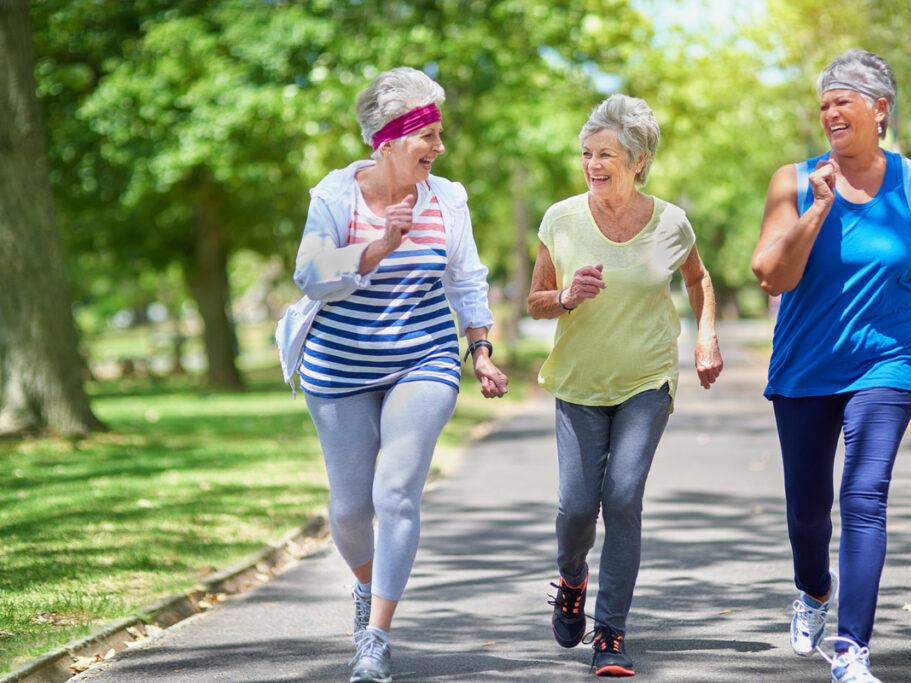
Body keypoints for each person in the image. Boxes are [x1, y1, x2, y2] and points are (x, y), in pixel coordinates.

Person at [751, 49, 911, 683]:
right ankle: (814, 590)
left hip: (888, 363)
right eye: (823, 104)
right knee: (807, 508)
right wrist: (818, 207)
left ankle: (852, 647)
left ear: (880, 110)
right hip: (803, 368)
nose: (829, 112)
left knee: (864, 496)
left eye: (842, 101)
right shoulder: (792, 181)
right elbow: (770, 276)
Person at [275, 66, 508, 683]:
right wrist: (379, 245)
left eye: (438, 134)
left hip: (422, 357)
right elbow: (310, 273)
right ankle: (365, 588)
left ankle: (375, 637)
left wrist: (479, 348)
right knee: (350, 509)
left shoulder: (448, 198)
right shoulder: (335, 195)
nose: (438, 146)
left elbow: (465, 279)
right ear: (387, 139)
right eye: (426, 134)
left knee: (395, 491)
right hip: (339, 364)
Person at [527, 94, 723, 677]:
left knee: (623, 497)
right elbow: (535, 303)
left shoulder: (667, 225)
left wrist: (705, 336)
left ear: (638, 160)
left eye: (605, 153)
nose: (593, 163)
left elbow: (698, 279)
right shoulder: (562, 220)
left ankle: (609, 634)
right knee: (576, 507)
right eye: (587, 153)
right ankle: (571, 579)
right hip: (579, 382)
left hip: (645, 379)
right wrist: (564, 296)